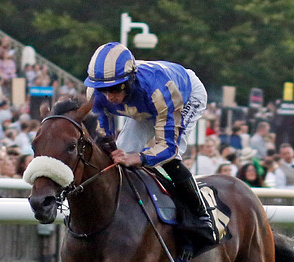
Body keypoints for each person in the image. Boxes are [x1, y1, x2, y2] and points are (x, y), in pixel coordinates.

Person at [83, 42, 217, 245]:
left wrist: (139, 158)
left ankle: (200, 218)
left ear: (129, 80)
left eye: (115, 88)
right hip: (145, 103)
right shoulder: (95, 94)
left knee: (169, 158)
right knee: (120, 152)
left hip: (183, 97)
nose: (109, 96)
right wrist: (116, 152)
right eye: (103, 90)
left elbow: (168, 148)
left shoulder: (158, 91)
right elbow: (105, 138)